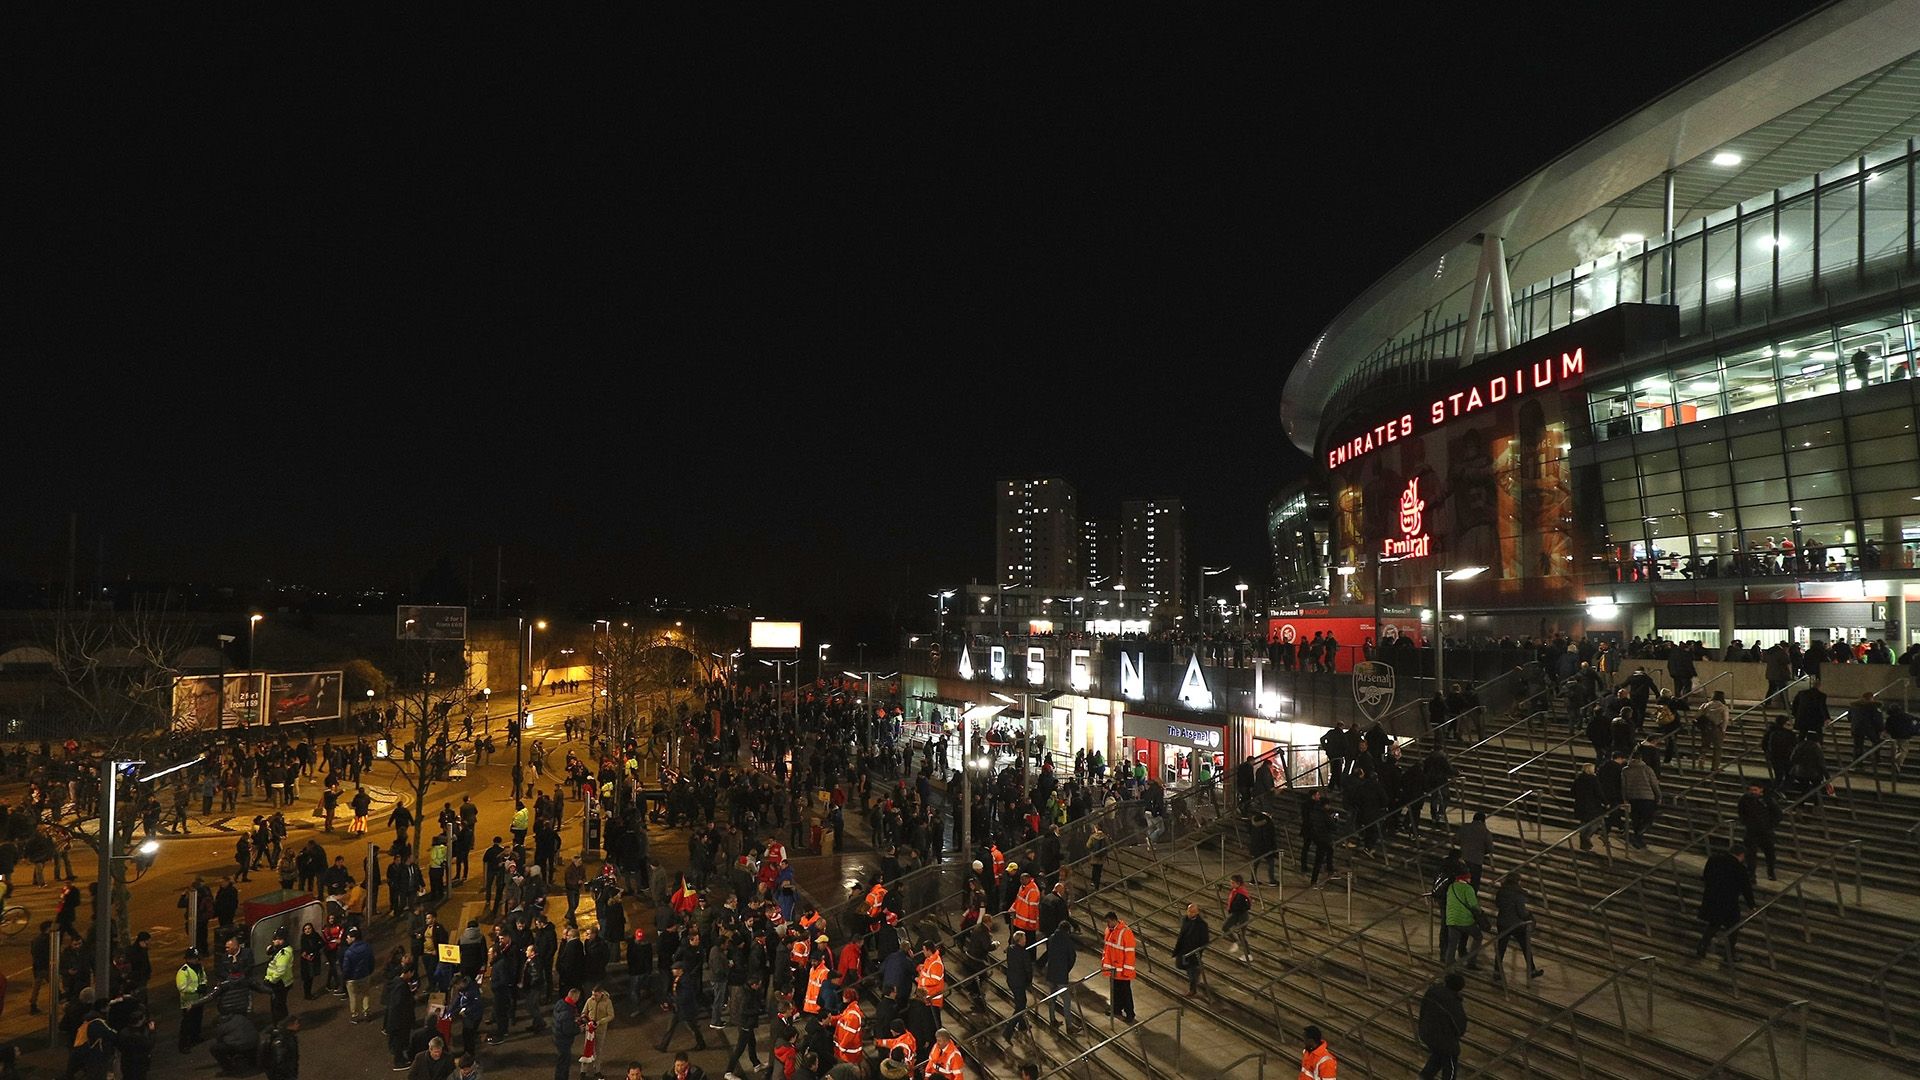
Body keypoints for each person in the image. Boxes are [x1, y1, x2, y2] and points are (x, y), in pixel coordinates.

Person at [1695, 844, 1754, 966]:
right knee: (1732, 928)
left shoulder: (1713, 860)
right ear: (1741, 855)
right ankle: (1729, 954)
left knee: (1714, 923)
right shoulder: (1739, 868)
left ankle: (1702, 945)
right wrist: (1752, 905)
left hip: (1712, 898)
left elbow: (1705, 876)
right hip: (1729, 903)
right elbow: (1746, 888)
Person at [1491, 872, 1545, 982]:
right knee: (1526, 946)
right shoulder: (1518, 894)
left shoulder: (1501, 891)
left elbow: (1497, 904)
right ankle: (1532, 970)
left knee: (1501, 947)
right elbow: (1522, 912)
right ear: (1517, 881)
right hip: (1516, 924)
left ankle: (1497, 971)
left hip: (1502, 922)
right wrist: (1529, 917)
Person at [1417, 972, 1468, 1080]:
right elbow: (1460, 1027)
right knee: (1450, 1060)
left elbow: (1423, 1010)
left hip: (1426, 1031)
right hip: (1443, 1038)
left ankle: (1424, 1077)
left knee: (1438, 1055)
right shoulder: (1453, 1003)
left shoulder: (1432, 991)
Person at [1736, 782, 1780, 882]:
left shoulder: (1768, 800)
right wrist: (1746, 822)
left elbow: (1777, 814)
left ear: (1761, 790)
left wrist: (1770, 825)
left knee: (1770, 853)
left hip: (1766, 832)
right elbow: (1741, 811)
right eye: (1751, 790)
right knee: (1750, 854)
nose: (1752, 792)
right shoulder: (1745, 799)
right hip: (1751, 831)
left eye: (1755, 790)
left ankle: (1771, 872)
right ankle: (1751, 874)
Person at [1439, 872, 1482, 970]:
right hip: (1465, 920)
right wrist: (1479, 912)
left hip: (1451, 919)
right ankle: (1471, 961)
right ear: (1466, 878)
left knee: (1452, 942)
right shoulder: (1468, 889)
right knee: (1478, 937)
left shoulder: (1451, 887)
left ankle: (1449, 964)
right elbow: (1473, 905)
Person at [1099, 912, 1136, 1023]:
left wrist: (1127, 970)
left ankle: (1130, 1013)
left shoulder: (1126, 932)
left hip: (1122, 970)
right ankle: (1116, 1009)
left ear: (1113, 920)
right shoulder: (1109, 931)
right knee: (1116, 991)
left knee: (1125, 992)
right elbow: (1108, 949)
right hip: (1114, 969)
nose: (1107, 924)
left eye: (1108, 922)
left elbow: (1129, 953)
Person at [1620, 754, 1660, 849]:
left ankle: (1638, 840)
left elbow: (1623, 786)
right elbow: (1654, 784)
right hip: (1647, 798)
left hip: (1632, 798)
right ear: (1641, 759)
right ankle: (1638, 836)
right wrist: (1658, 796)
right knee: (1648, 819)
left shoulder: (1625, 770)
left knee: (1636, 820)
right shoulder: (1647, 769)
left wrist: (1625, 798)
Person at [1172, 902, 1210, 996]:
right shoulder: (1185, 919)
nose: (1190, 914)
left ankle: (1192, 989)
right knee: (1179, 964)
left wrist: (1198, 950)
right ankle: (1197, 971)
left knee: (1191, 970)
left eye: (1192, 912)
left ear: (1197, 912)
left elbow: (1205, 940)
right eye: (1189, 911)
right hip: (1183, 949)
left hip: (1193, 951)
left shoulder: (1202, 924)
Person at [176, 946, 209, 1051]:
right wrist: (196, 989)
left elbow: (203, 978)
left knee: (197, 1020)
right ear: (189, 959)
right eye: (195, 958)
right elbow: (182, 987)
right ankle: (184, 1044)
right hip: (188, 1002)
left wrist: (203, 985)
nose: (197, 960)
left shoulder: (199, 968)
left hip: (199, 1000)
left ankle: (195, 1037)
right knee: (187, 1023)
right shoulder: (183, 971)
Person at [1221, 875, 1253, 962]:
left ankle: (1248, 955)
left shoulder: (1241, 894)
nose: (1230, 884)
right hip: (1235, 914)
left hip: (1241, 916)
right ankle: (1236, 942)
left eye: (1232, 883)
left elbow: (1245, 906)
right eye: (1230, 882)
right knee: (1225, 927)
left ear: (1238, 883)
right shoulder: (1236, 891)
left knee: (1241, 935)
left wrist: (1237, 921)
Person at [264, 1014, 301, 1080]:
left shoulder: (287, 1036)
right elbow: (279, 1060)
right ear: (290, 1025)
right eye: (296, 1023)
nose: (298, 1025)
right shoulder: (283, 1039)